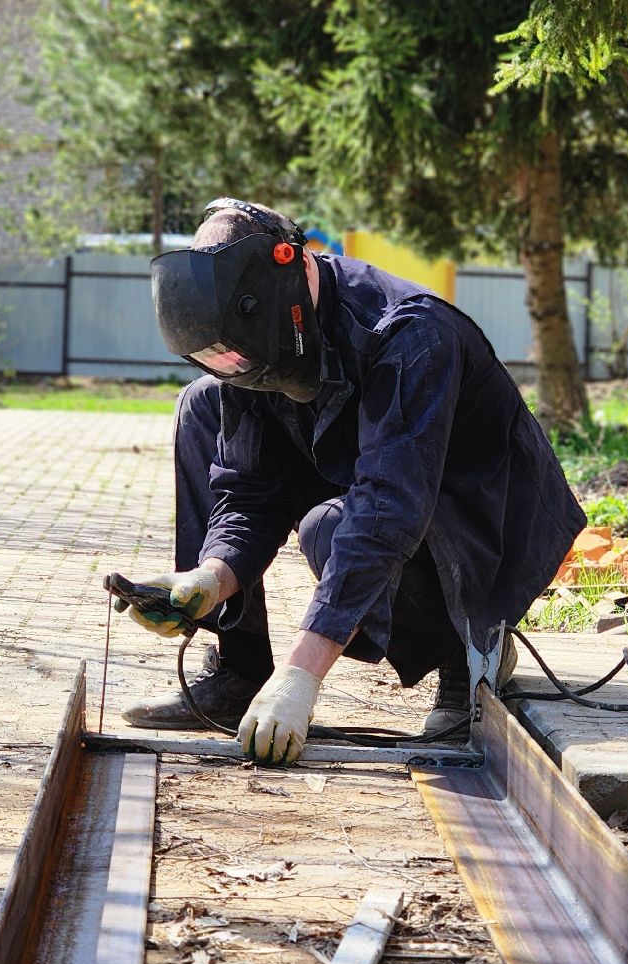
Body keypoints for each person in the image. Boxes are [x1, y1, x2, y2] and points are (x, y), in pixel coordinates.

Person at [111, 197, 583, 765]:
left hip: (480, 520)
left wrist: (302, 673)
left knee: (331, 529)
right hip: (359, 469)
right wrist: (210, 578)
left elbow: (388, 507)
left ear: (297, 267)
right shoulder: (250, 339)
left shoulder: (410, 334)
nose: (242, 369)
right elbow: (250, 493)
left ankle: (468, 650)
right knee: (202, 407)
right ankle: (239, 671)